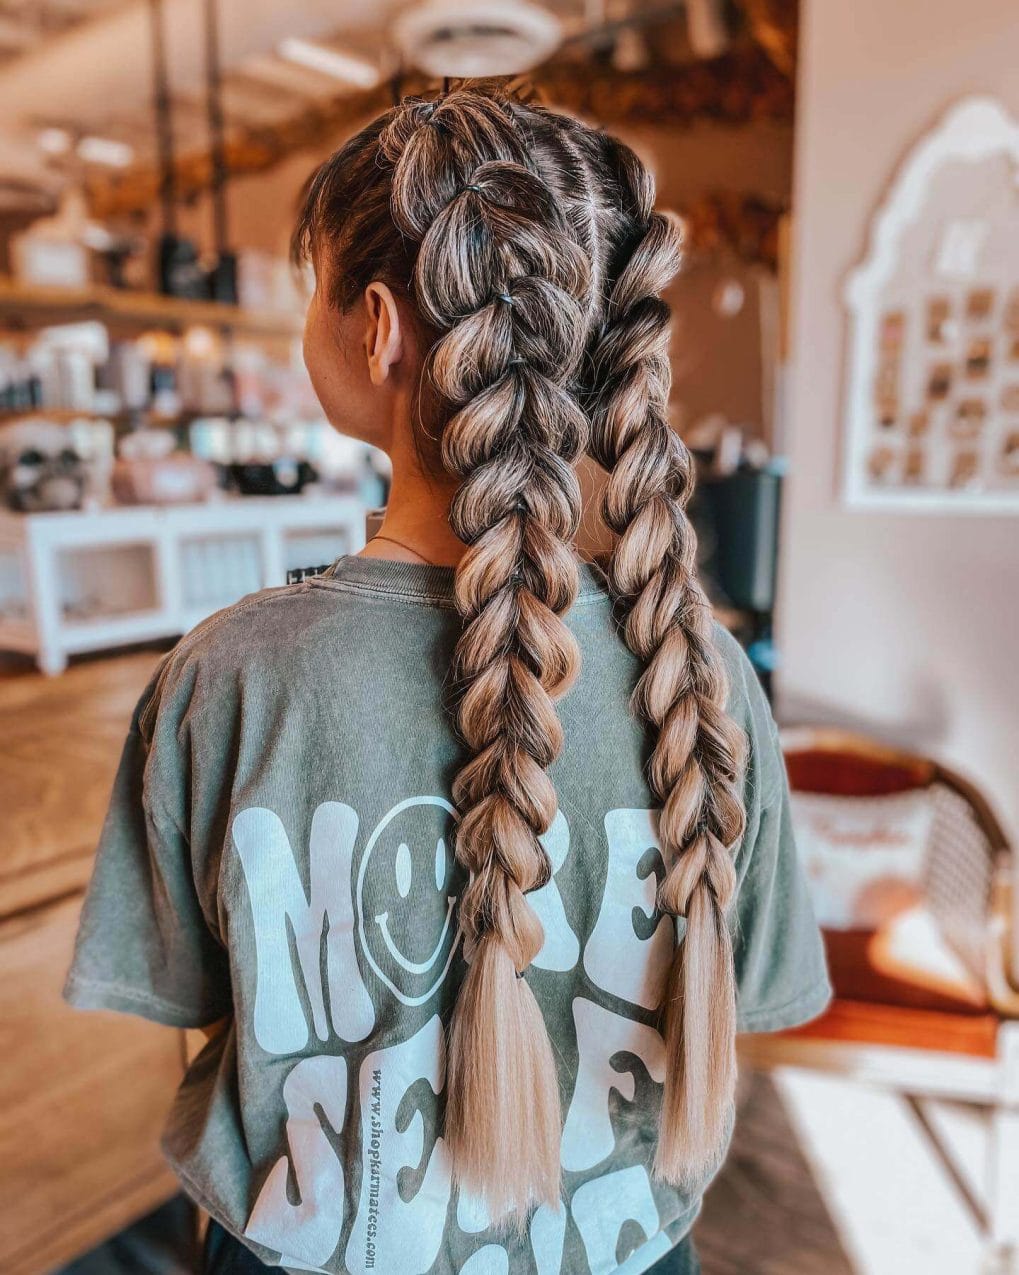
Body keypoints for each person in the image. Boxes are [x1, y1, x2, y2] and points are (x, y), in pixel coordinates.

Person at [64, 86, 831, 1275]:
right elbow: (753, 1002)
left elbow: (204, 1021)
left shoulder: (227, 678)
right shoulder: (704, 672)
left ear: (375, 329)